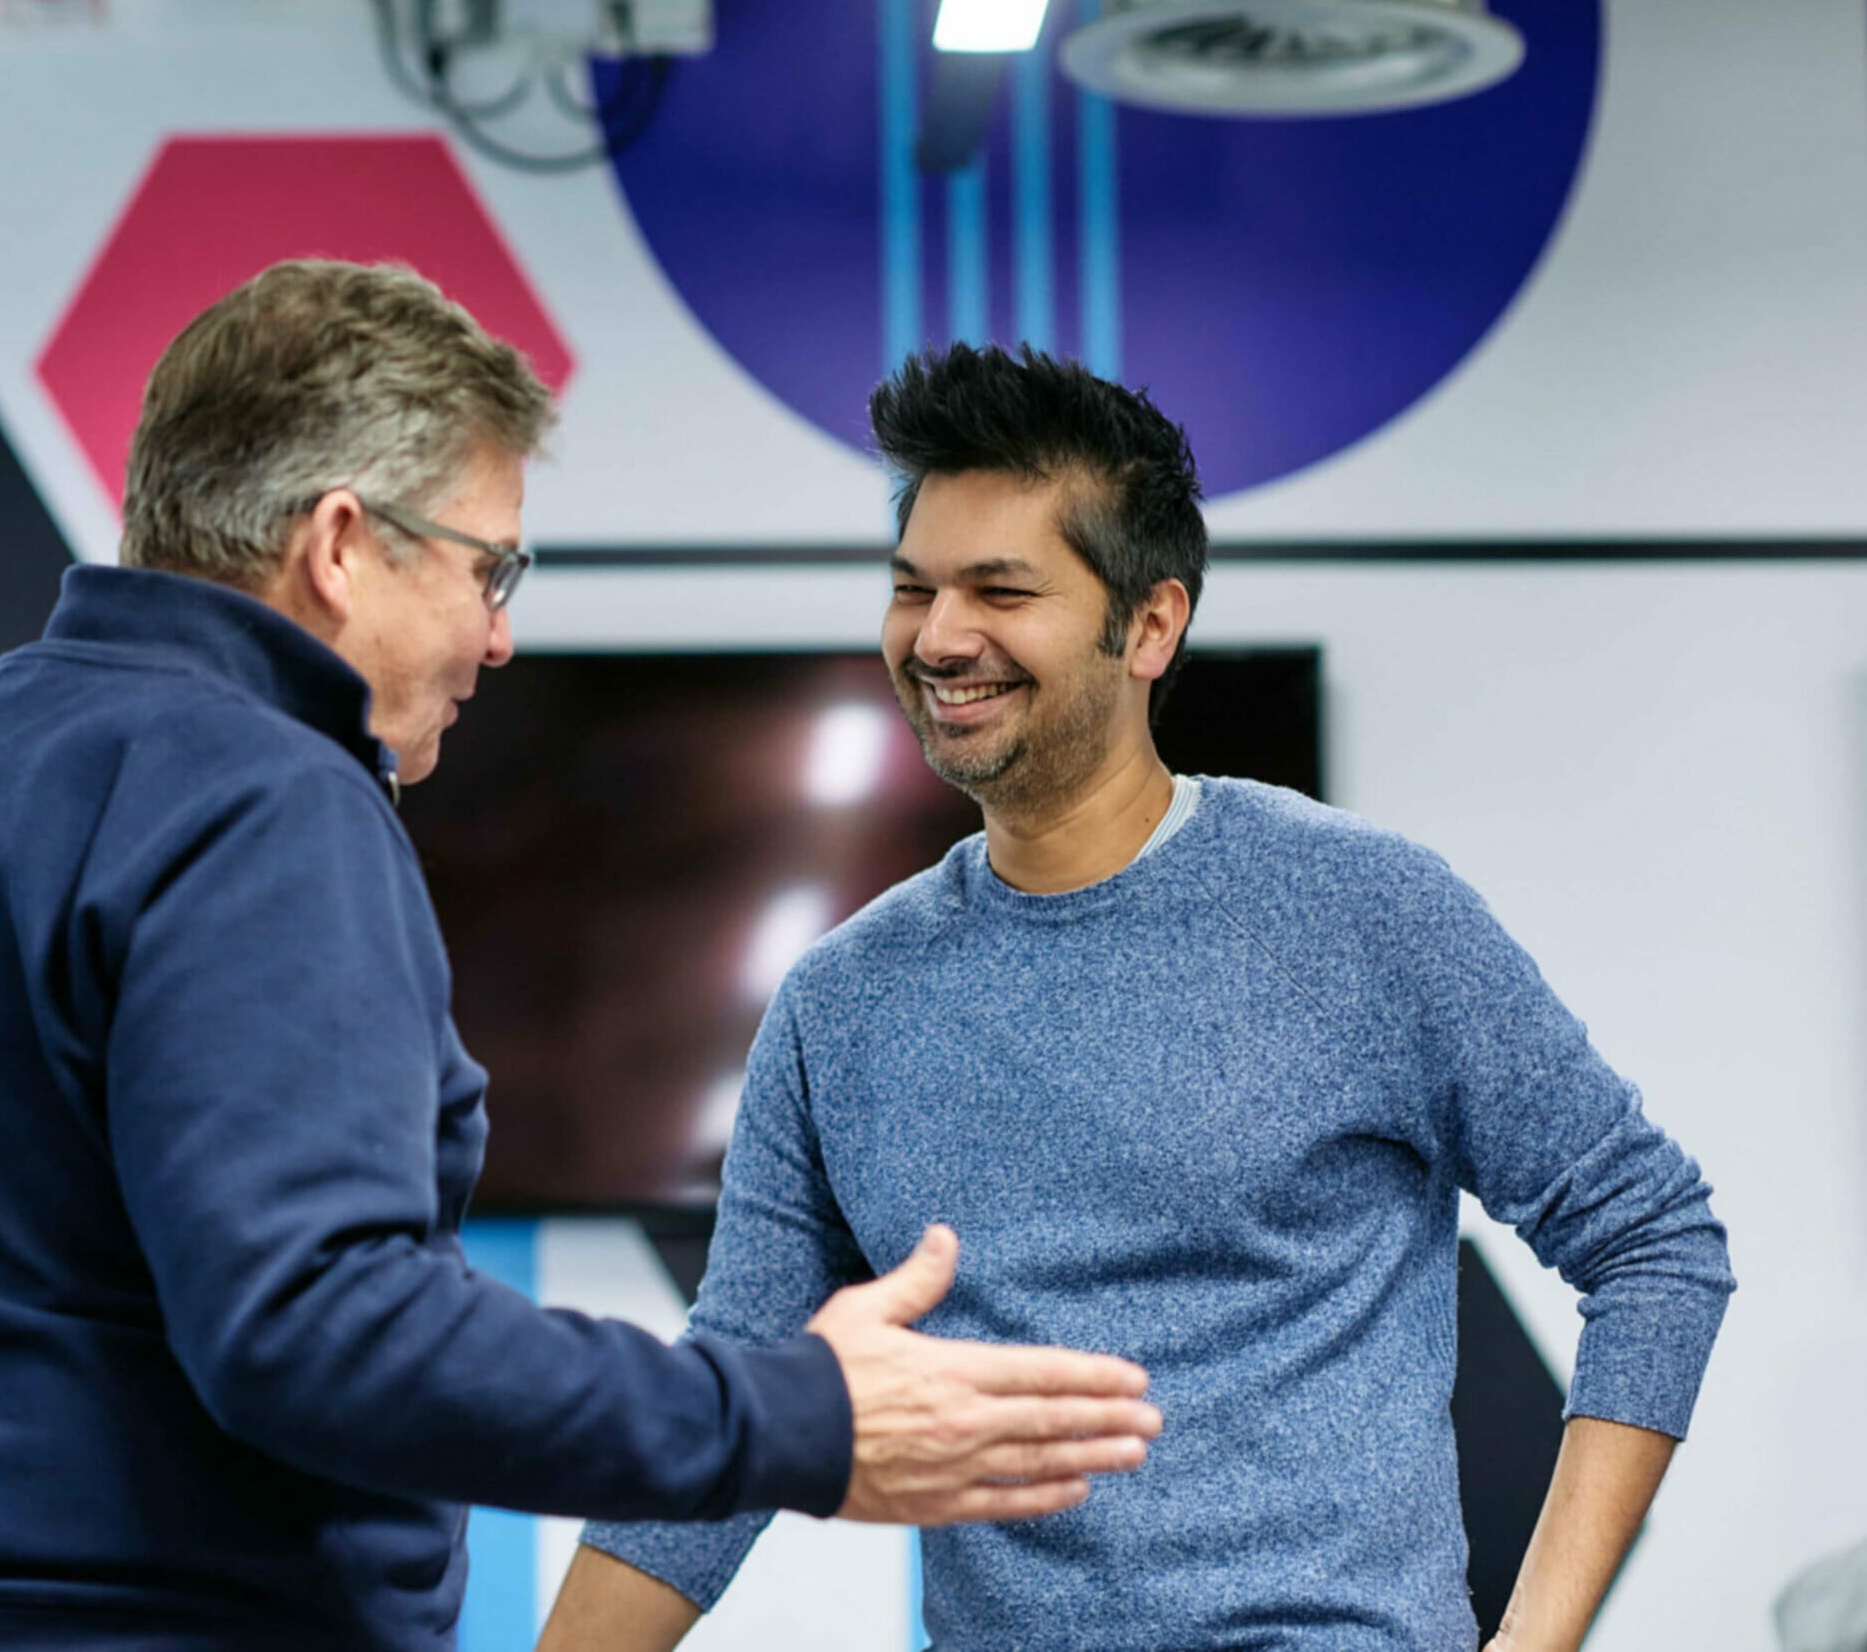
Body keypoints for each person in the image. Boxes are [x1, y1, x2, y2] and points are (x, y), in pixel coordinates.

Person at [0, 263, 1165, 1652]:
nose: (499, 635)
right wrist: (802, 1415)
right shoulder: (263, 793)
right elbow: (316, 1328)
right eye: (488, 567)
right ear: (339, 545)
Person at [543, 345, 1736, 1651]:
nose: (940, 637)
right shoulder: (840, 1004)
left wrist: (1537, 1638)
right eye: (913, 589)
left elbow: (1656, 1239)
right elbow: (727, 1429)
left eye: (1000, 590)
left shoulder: (1367, 915)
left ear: (1152, 623)